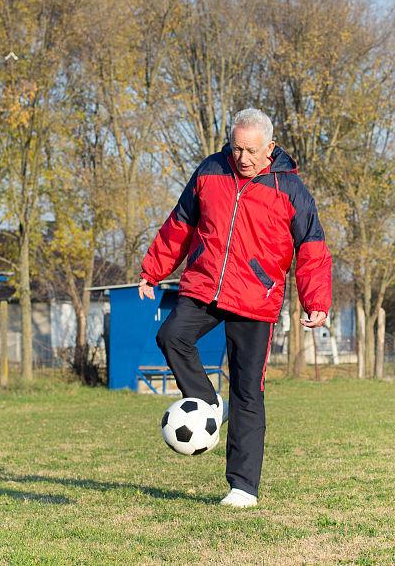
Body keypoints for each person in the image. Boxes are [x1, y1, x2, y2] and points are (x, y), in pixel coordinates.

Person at [139, 108, 333, 508]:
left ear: (270, 149)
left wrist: (317, 300)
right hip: (205, 285)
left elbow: (312, 249)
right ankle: (209, 404)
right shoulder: (210, 171)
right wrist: (152, 271)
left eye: (250, 150)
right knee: (171, 336)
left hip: (254, 298)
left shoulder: (291, 190)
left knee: (248, 391)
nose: (241, 157)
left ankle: (243, 487)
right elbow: (179, 225)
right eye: (235, 148)